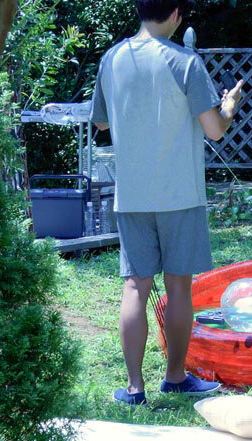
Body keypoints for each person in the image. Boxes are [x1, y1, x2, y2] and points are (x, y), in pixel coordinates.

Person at [91, 0, 244, 405]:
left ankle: (133, 387)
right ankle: (175, 376)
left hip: (131, 195)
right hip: (180, 194)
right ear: (175, 13)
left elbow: (101, 121)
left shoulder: (112, 59)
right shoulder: (186, 62)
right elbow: (215, 129)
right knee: (178, 286)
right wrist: (229, 105)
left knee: (135, 287)